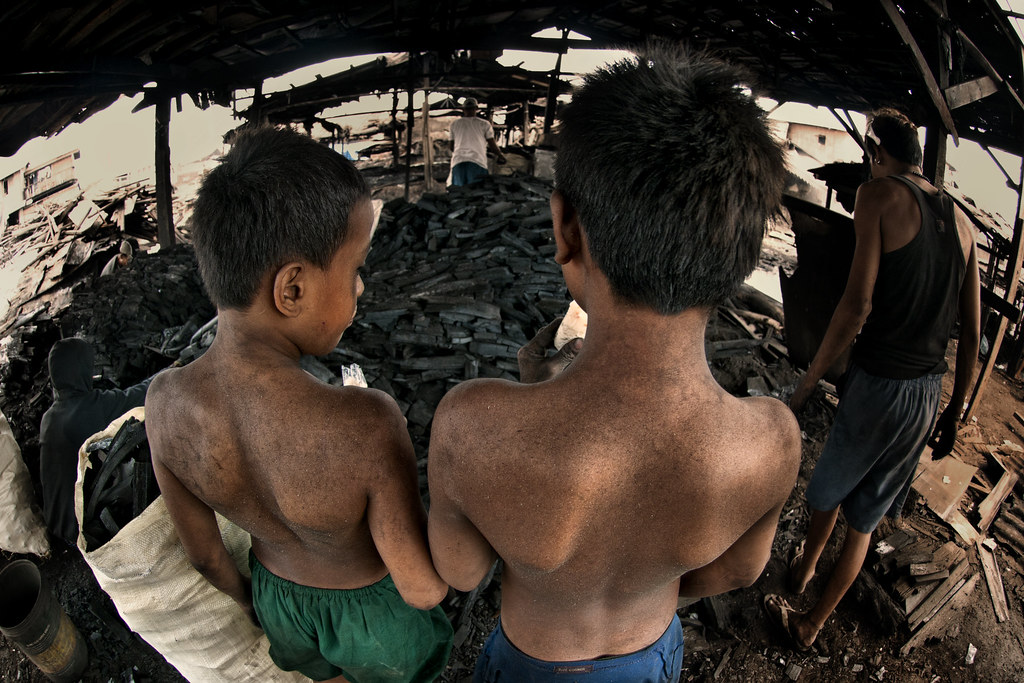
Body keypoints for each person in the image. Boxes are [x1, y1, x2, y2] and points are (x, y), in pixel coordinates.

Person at [428, 48, 800, 682]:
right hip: (650, 654)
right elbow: (734, 572)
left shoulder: (473, 427)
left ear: (565, 227)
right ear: (742, 258)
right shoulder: (772, 441)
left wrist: (536, 412)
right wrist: (639, 578)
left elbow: (461, 572)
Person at [145, 126, 452, 683]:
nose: (360, 289)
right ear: (292, 290)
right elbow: (422, 588)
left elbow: (206, 557)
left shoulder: (164, 404)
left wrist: (252, 605)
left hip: (277, 601)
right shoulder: (367, 425)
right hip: (371, 616)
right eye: (355, 269)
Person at [771, 108, 981, 651]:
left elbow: (857, 303)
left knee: (828, 490)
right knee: (865, 522)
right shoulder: (963, 224)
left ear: (877, 152)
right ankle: (811, 622)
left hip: (879, 384)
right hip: (926, 395)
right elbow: (972, 337)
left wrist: (811, 378)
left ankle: (804, 569)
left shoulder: (878, 195)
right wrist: (953, 416)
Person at [39, 337, 151, 543]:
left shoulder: (51, 417)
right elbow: (137, 396)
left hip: (56, 522)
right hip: (80, 530)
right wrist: (172, 370)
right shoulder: (85, 409)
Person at [448, 97, 505, 186]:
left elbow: (451, 147)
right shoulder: (484, 124)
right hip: (477, 162)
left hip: (458, 162)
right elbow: (492, 145)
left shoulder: (454, 124)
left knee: (458, 193)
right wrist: (500, 155)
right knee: (477, 193)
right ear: (476, 109)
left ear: (463, 109)